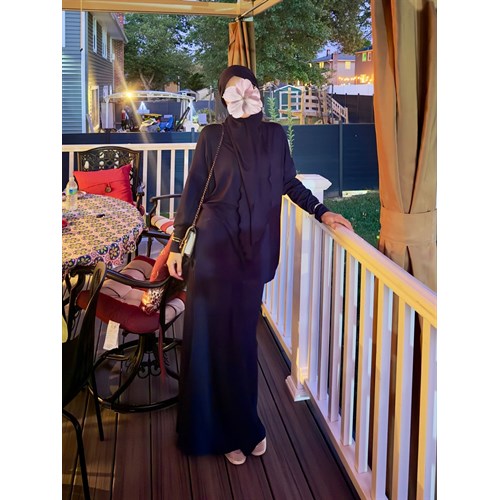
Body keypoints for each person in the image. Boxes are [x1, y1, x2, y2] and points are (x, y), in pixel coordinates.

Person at [167, 65, 353, 466]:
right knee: (214, 341)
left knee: (242, 342)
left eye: (247, 86)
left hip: (254, 254)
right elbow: (193, 192)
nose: (242, 94)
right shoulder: (212, 137)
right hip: (214, 253)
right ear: (223, 97)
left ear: (257, 91)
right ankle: (218, 432)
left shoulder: (273, 135)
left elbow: (288, 183)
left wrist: (322, 211)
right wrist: (178, 245)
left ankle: (245, 425)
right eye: (232, 89)